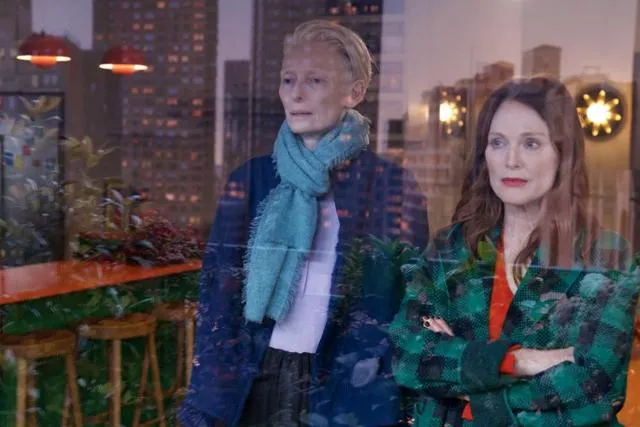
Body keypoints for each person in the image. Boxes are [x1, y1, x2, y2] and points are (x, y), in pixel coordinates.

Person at [179, 19, 429, 427]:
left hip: (349, 386)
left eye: (315, 80)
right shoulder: (252, 180)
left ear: (355, 92)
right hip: (255, 377)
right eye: (288, 79)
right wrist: (210, 391)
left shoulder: (389, 185)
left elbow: (407, 301)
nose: (296, 94)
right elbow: (217, 296)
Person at [390, 76, 640, 426]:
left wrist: (466, 381)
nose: (511, 160)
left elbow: (592, 390)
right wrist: (519, 360)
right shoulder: (451, 247)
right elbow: (408, 357)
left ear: (563, 155)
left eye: (531, 144)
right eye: (498, 142)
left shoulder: (606, 254)